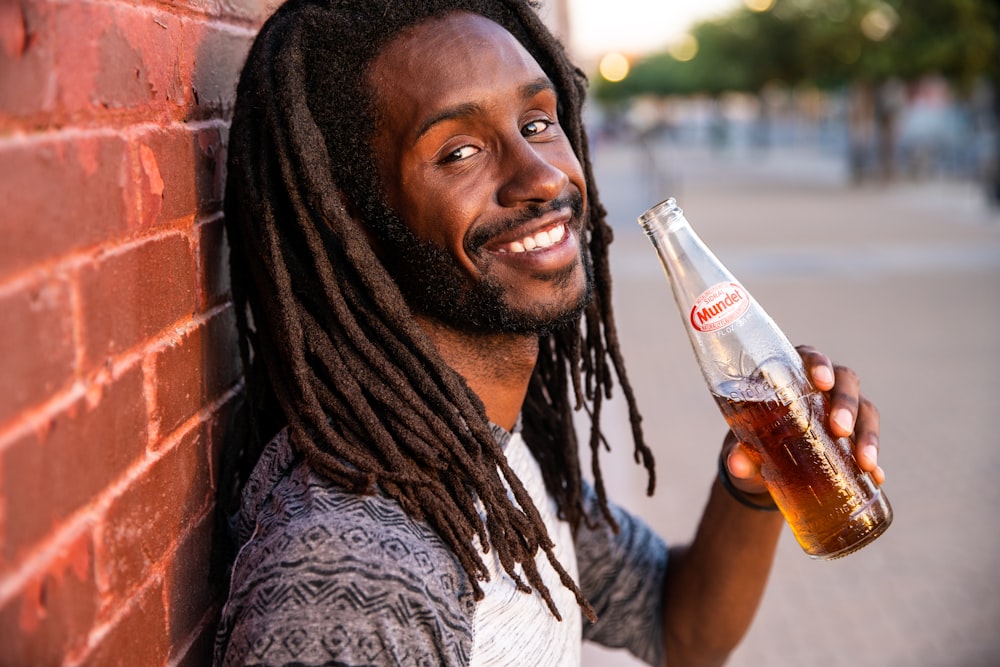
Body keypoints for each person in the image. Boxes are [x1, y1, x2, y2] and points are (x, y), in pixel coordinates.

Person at [212, 1, 886, 665]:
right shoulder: (354, 581)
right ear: (349, 217)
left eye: (538, 122)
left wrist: (755, 475)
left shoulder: (487, 448)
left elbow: (676, 626)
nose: (540, 178)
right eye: (460, 151)